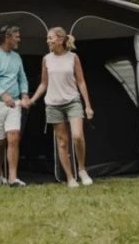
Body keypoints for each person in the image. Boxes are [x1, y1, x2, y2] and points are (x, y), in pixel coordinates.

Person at [30, 27, 94, 187]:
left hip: (73, 101)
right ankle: (70, 178)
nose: (48, 41)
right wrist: (32, 100)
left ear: (60, 39)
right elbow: (44, 83)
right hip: (53, 105)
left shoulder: (73, 57)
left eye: (50, 38)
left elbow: (81, 82)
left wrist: (88, 106)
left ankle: (82, 169)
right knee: (63, 142)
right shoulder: (46, 59)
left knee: (77, 136)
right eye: (47, 38)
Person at [0, 24, 31, 187]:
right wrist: (3, 95)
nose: (19, 39)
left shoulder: (17, 57)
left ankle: (13, 178)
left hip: (14, 103)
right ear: (7, 37)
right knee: (0, 142)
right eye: (16, 36)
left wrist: (24, 95)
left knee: (14, 137)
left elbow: (22, 78)